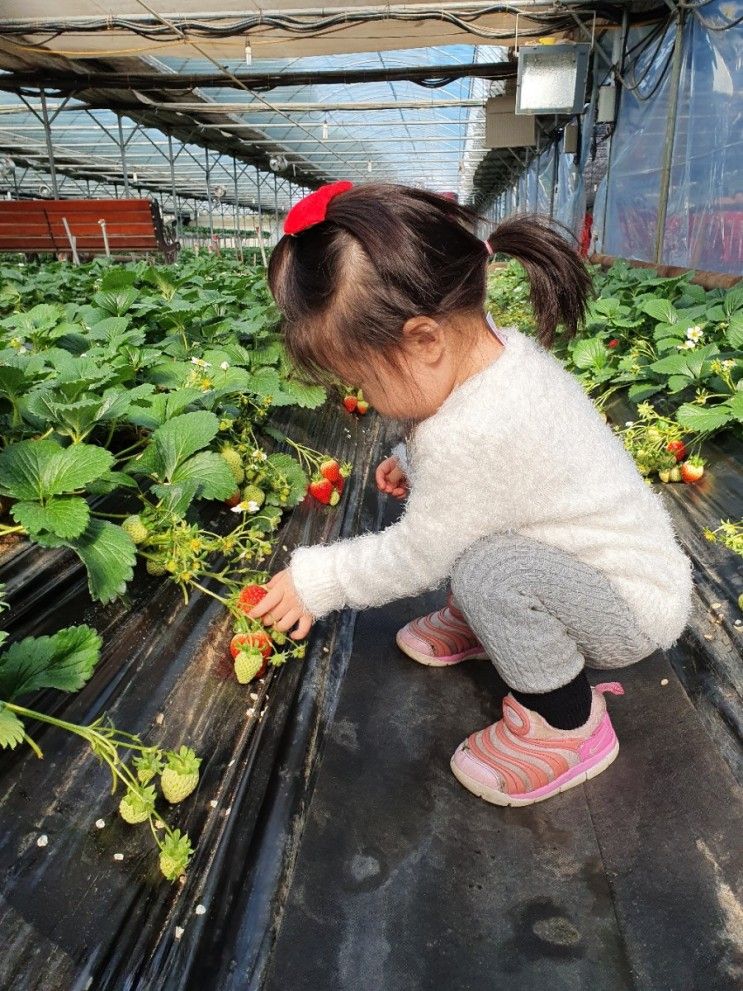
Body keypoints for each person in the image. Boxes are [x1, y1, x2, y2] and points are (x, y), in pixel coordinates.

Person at [250, 181, 692, 808]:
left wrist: (319, 580)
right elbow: (497, 473)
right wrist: (413, 460)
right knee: (487, 555)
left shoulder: (480, 428)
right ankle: (502, 625)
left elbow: (417, 556)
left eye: (363, 382)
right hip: (586, 571)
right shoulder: (497, 360)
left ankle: (570, 726)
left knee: (488, 570)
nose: (369, 402)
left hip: (627, 607)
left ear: (425, 340)